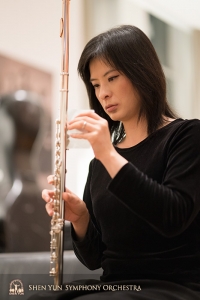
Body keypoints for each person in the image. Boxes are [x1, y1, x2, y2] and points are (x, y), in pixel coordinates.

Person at [37, 25, 200, 299]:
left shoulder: (187, 136)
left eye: (112, 78)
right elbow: (95, 259)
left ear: (142, 73)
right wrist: (80, 219)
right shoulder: (100, 162)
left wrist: (109, 155)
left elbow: (173, 216)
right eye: (96, 84)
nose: (103, 93)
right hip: (116, 286)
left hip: (174, 286)